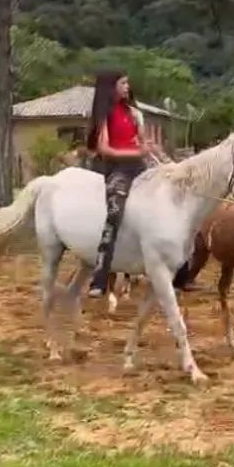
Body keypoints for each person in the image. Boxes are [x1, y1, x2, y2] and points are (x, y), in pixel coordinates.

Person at [87, 71, 152, 299]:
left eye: (127, 82)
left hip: (140, 167)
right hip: (118, 171)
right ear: (111, 87)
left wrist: (145, 145)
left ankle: (178, 271)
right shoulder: (105, 115)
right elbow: (104, 149)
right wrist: (136, 152)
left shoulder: (132, 112)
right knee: (114, 216)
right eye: (123, 83)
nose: (127, 86)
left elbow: (143, 142)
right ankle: (99, 277)